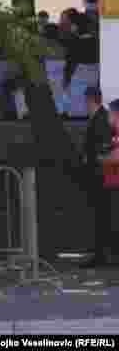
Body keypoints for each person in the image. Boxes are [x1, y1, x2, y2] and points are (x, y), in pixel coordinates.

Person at [82, 87, 115, 268]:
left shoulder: (100, 119)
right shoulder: (100, 117)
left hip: (100, 175)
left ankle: (103, 255)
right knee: (102, 215)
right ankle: (102, 254)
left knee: (103, 216)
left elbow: (103, 146)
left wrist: (92, 158)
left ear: (90, 100)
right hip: (100, 174)